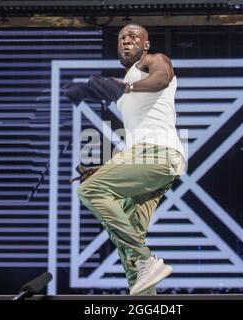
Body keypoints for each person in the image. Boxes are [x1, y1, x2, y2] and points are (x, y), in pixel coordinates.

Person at [76, 23, 186, 295]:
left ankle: (148, 259)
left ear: (145, 45)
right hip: (147, 158)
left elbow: (162, 78)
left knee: (89, 191)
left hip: (159, 153)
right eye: (122, 37)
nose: (127, 41)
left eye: (134, 37)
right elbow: (137, 141)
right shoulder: (129, 86)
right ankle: (145, 299)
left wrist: (126, 86)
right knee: (128, 237)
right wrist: (107, 168)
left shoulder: (154, 61)